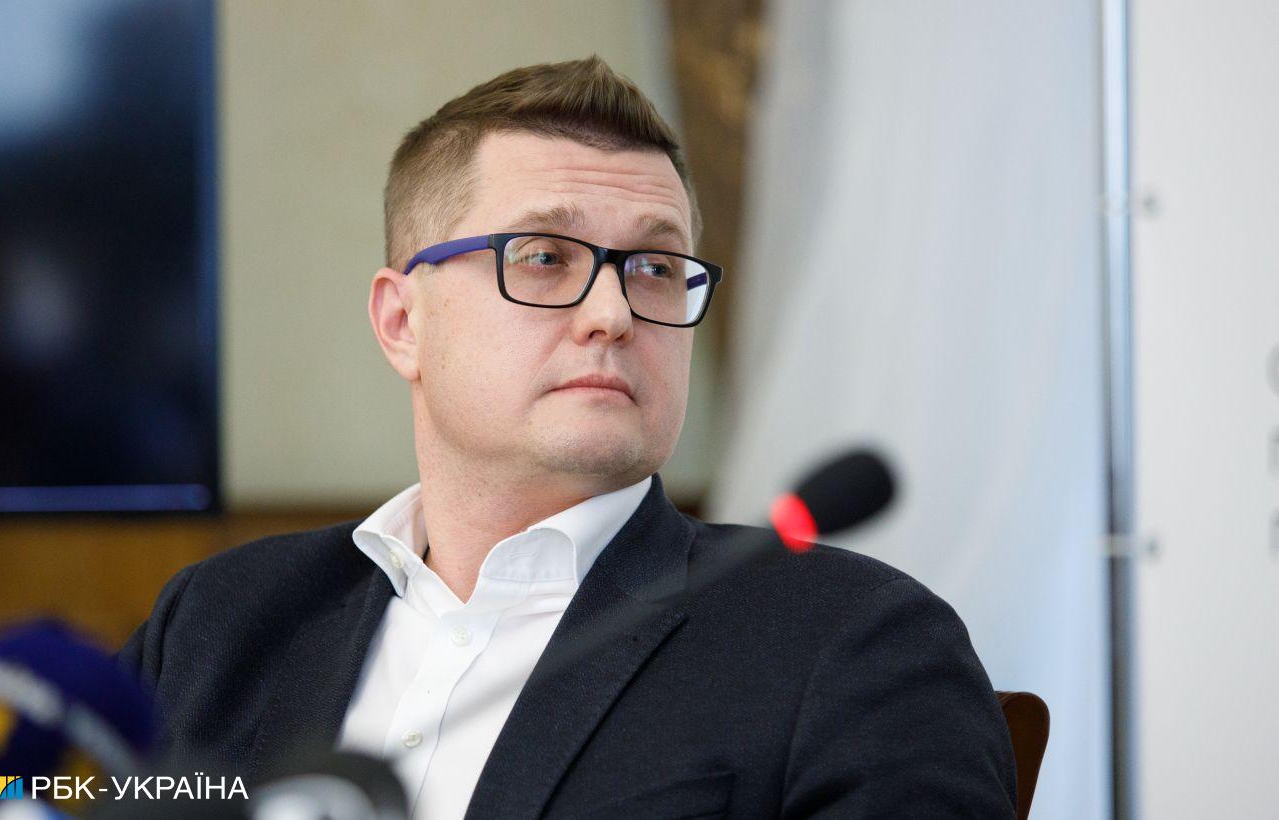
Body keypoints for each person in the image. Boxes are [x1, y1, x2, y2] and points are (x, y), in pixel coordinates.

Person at [120, 56, 1017, 818]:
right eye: (545, 256)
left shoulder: (853, 642)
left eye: (656, 268)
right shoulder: (216, 622)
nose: (613, 313)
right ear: (402, 322)